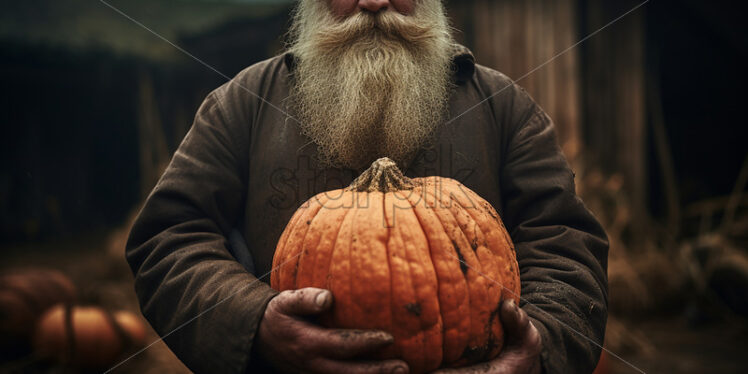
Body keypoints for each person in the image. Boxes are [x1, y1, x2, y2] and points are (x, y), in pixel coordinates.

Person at [125, 0, 609, 373]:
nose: (374, 4)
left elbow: (566, 247)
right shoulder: (241, 104)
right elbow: (168, 238)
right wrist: (254, 322)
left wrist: (539, 345)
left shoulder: (504, 108)